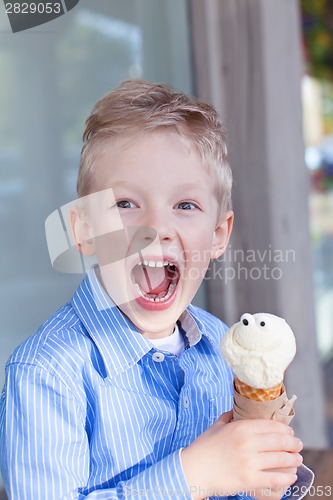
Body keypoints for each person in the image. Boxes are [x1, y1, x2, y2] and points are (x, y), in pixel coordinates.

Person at [0, 80, 312, 499]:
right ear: (85, 230)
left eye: (185, 206)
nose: (157, 229)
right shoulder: (46, 375)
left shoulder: (223, 346)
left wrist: (265, 476)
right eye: (126, 204)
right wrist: (193, 475)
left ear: (219, 235)